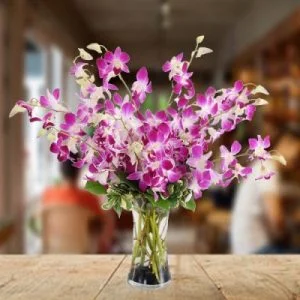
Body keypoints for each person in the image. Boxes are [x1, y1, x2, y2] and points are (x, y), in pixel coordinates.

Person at [230, 128, 300, 254]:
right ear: (286, 143)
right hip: (256, 250)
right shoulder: (268, 168)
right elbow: (276, 220)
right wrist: (285, 236)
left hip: (248, 247)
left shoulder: (264, 165)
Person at [43, 157, 115, 253]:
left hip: (54, 249)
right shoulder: (88, 198)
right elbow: (105, 220)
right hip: (81, 251)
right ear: (78, 170)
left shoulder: (48, 195)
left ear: (60, 171)